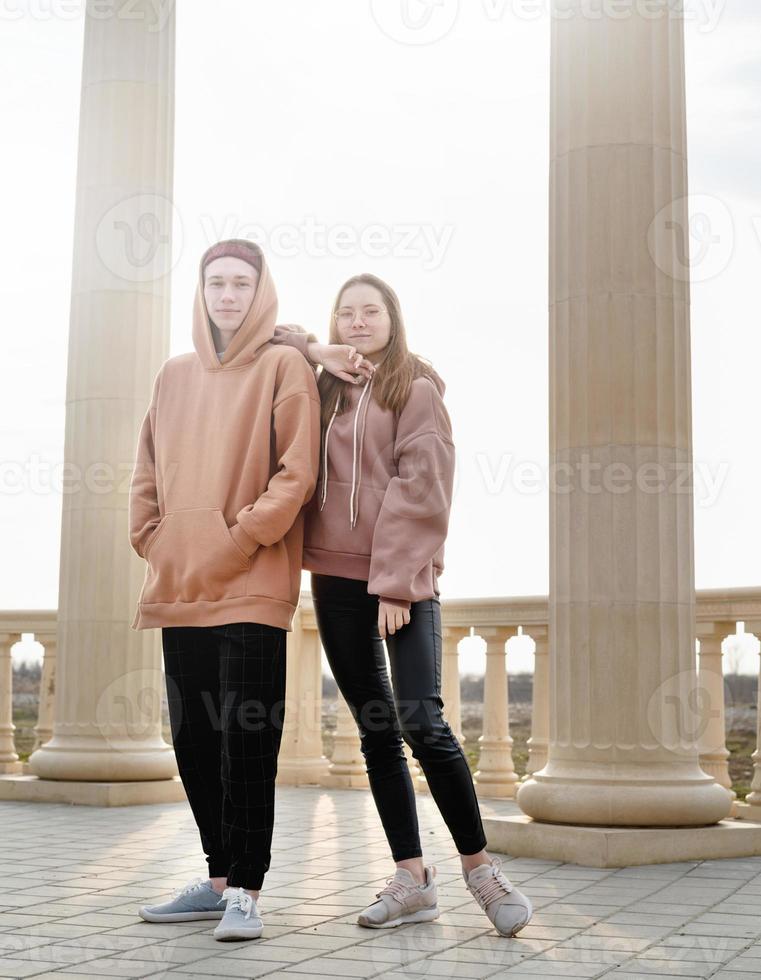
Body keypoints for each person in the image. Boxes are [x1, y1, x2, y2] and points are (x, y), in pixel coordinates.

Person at [272, 273, 533, 938]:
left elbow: (425, 487)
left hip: (401, 583)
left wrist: (393, 580)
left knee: (423, 720)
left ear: (392, 318)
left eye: (371, 311)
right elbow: (261, 338)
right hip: (331, 581)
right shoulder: (322, 385)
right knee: (375, 731)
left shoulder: (414, 390)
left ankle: (479, 869)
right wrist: (312, 347)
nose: (358, 322)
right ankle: (412, 877)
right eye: (346, 313)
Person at [128, 238, 322, 942]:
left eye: (242, 283)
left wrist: (238, 539)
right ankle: (216, 878)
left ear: (260, 291)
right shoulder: (173, 376)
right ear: (201, 291)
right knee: (193, 740)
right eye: (217, 283)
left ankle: (247, 890)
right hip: (179, 583)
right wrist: (152, 535)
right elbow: (145, 467)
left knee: (247, 743)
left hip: (252, 585)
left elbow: (296, 475)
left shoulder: (283, 366)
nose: (228, 295)